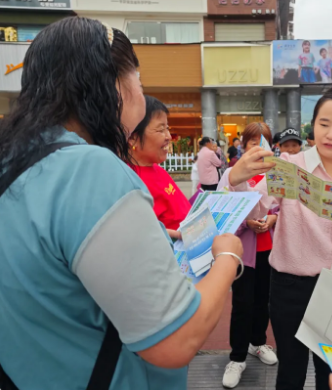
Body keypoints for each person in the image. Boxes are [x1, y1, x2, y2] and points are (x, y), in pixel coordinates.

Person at [0, 17, 244, 390]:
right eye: (139, 83)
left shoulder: (18, 162)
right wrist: (228, 259)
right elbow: (175, 341)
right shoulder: (90, 169)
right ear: (111, 84)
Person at [224, 86, 332, 390]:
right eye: (324, 124)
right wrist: (236, 179)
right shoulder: (290, 166)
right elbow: (258, 205)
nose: (331, 134)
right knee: (290, 370)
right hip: (289, 286)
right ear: (312, 124)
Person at [217, 123, 278, 388]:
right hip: (243, 252)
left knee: (263, 300)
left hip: (269, 249)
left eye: (263, 141)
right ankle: (237, 357)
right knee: (242, 302)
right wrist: (247, 223)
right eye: (252, 141)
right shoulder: (232, 173)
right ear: (243, 145)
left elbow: (283, 205)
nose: (258, 146)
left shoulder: (275, 173)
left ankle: (258, 343)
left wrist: (272, 218)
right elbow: (221, 208)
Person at [128, 95, 191, 240]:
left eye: (167, 128)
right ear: (133, 137)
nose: (168, 136)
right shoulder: (130, 180)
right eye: (160, 130)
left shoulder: (158, 169)